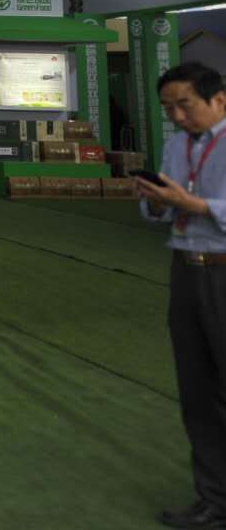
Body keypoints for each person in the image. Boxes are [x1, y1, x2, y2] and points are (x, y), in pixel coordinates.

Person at [135, 62, 226, 529]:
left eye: (185, 105)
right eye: (168, 108)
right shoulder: (175, 145)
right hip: (187, 270)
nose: (177, 116)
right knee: (198, 391)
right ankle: (213, 499)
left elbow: (195, 205)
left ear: (219, 100)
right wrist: (156, 203)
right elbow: (163, 209)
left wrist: (196, 205)